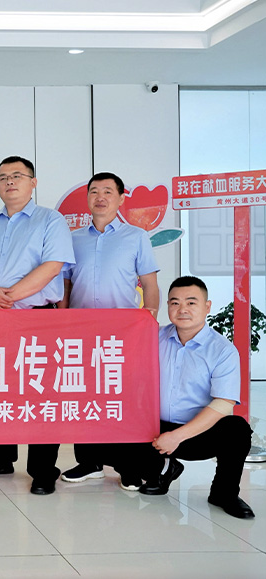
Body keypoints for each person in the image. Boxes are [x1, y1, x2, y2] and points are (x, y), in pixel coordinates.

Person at [0, 155, 74, 495]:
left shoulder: (50, 220)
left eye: (17, 175)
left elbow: (53, 266)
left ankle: (42, 469)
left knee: (41, 394)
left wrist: (9, 296)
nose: (10, 182)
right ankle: (1, 456)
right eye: (3, 177)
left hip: (38, 317)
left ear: (33, 182)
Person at [58, 172, 160, 490]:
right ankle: (89, 462)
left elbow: (150, 284)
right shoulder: (73, 238)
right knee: (84, 396)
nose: (100, 197)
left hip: (123, 335)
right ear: (88, 198)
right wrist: (61, 321)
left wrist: (149, 322)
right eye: (94, 191)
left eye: (107, 191)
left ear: (120, 198)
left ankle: (127, 466)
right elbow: (65, 284)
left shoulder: (136, 237)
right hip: (80, 332)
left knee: (122, 399)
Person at [134, 276, 255, 519]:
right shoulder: (152, 338)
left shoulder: (223, 350)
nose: (182, 309)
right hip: (153, 430)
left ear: (207, 307)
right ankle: (164, 468)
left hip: (197, 433)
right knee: (114, 435)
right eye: (175, 303)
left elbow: (224, 403)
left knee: (237, 430)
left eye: (191, 302)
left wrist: (176, 437)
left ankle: (224, 493)